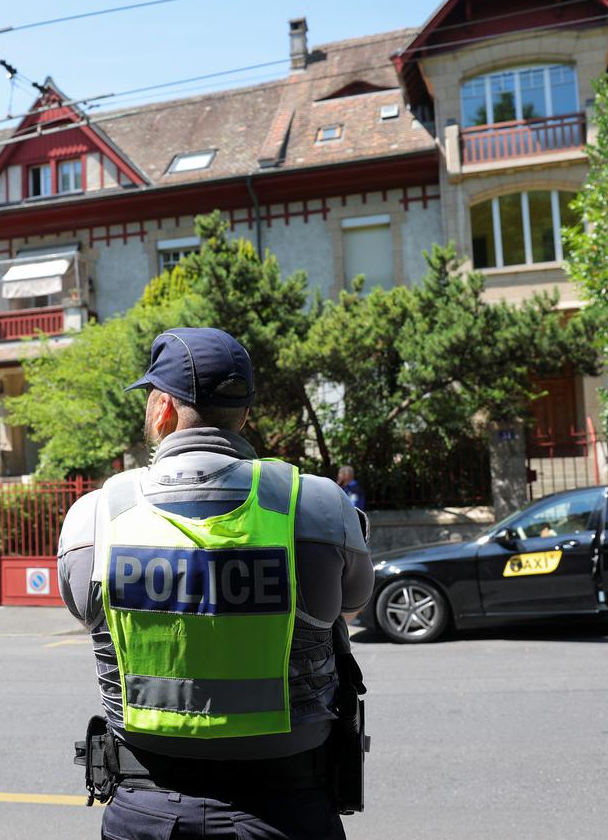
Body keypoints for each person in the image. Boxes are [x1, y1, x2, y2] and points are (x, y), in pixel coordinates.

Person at [58, 327, 373, 839]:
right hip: (288, 811)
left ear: (162, 409)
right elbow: (352, 607)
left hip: (147, 810)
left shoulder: (95, 517)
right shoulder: (317, 506)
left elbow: (82, 608)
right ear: (244, 413)